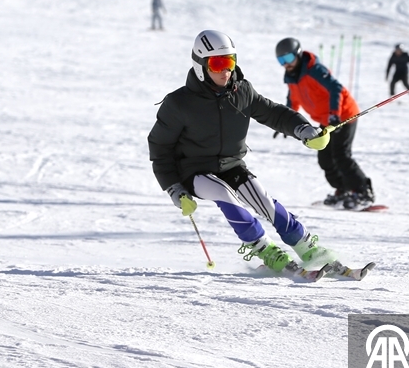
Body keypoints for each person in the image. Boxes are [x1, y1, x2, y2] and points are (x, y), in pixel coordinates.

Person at [149, 30, 346, 275]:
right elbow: (160, 147)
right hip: (194, 172)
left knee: (264, 201)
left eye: (230, 61)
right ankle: (265, 249)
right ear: (200, 65)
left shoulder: (241, 91)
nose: (226, 70)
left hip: (231, 165)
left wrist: (303, 129)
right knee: (225, 195)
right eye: (218, 63)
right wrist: (173, 188)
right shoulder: (179, 103)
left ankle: (307, 247)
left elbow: (273, 112)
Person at [275, 37, 374, 210]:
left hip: (344, 114)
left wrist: (335, 114)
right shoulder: (292, 77)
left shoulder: (314, 70)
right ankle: (342, 189)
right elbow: (293, 99)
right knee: (325, 158)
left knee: (341, 155)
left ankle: (363, 192)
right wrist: (285, 122)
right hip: (325, 119)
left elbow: (336, 88)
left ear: (298, 54)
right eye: (281, 60)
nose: (286, 64)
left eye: (289, 58)